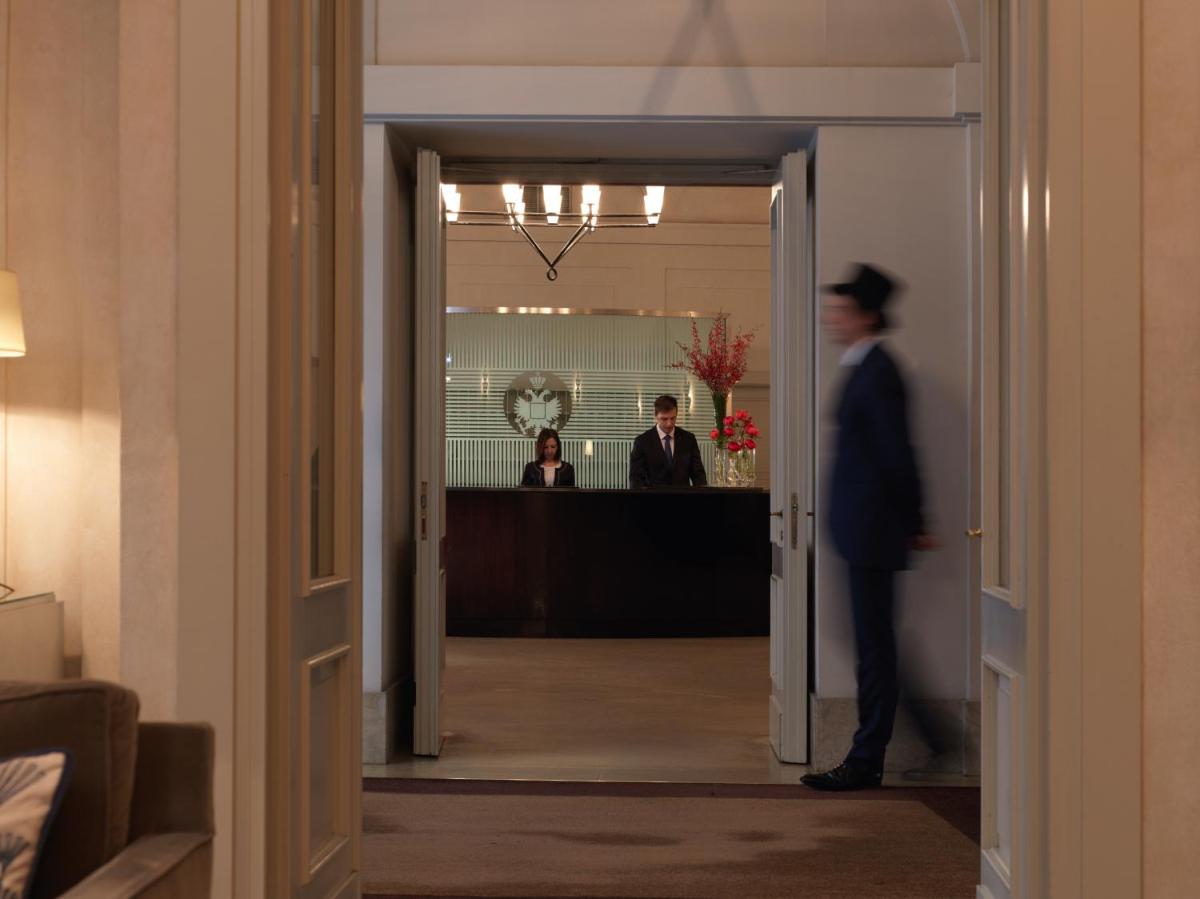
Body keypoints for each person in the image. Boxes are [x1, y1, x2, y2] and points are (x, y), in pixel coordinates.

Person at [801, 262, 940, 792]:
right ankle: (925, 739)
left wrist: (915, 519)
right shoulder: (865, 366)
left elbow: (897, 454)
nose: (831, 318)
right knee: (875, 645)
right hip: (862, 531)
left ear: (864, 316)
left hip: (872, 531)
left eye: (840, 310)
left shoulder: (879, 371)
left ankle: (866, 759)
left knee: (875, 648)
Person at [628, 395, 707, 488]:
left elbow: (698, 475)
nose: (669, 424)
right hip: (652, 496)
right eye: (664, 419)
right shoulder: (642, 442)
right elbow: (636, 479)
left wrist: (702, 495)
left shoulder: (688, 439)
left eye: (673, 418)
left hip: (683, 496)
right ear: (656, 416)